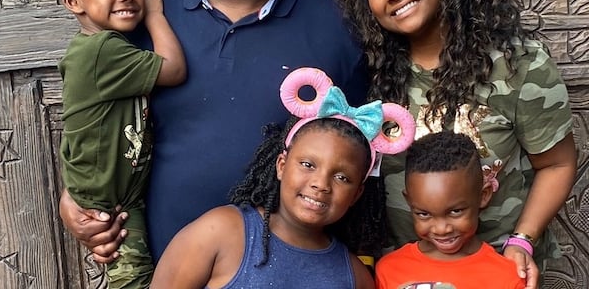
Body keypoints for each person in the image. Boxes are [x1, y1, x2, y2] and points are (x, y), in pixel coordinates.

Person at [58, 0, 368, 266]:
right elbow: (93, 122)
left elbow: (364, 153)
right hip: (170, 270)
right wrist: (76, 201)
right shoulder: (141, 20)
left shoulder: (339, 23)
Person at [311, 0, 578, 288]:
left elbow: (557, 163)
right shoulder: (370, 73)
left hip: (495, 273)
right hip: (406, 275)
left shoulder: (516, 65)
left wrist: (522, 240)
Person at [150, 67, 414, 289]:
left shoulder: (354, 277)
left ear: (357, 193)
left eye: (342, 177)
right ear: (281, 165)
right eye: (308, 164)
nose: (321, 184)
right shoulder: (220, 232)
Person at [57, 0, 187, 288]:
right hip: (109, 198)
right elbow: (174, 69)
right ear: (74, 2)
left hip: (116, 188)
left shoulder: (107, 45)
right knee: (132, 280)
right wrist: (156, 14)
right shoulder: (102, 50)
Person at [375, 130, 525, 289]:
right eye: (424, 214)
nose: (441, 229)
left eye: (455, 211)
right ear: (409, 202)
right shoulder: (389, 269)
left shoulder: (507, 276)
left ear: (483, 195)